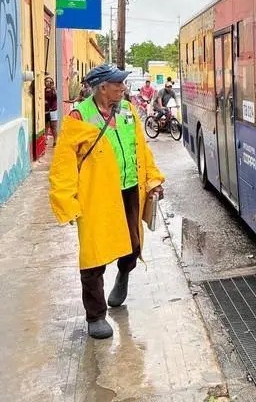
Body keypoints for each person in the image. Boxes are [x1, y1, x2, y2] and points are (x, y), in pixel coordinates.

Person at [49, 64, 165, 340]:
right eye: (118, 84)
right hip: (96, 196)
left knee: (133, 244)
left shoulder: (128, 110)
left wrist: (153, 180)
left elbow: (141, 149)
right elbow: (63, 165)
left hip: (129, 189)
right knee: (93, 256)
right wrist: (66, 202)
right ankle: (96, 315)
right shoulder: (79, 117)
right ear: (103, 87)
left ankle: (123, 275)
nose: (123, 88)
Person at [44, 76, 59, 146]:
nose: (48, 83)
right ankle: (45, 139)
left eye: (50, 81)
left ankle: (55, 140)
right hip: (45, 110)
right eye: (47, 81)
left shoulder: (53, 90)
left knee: (53, 127)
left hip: (53, 110)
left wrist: (54, 89)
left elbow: (56, 96)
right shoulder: (43, 90)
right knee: (46, 126)